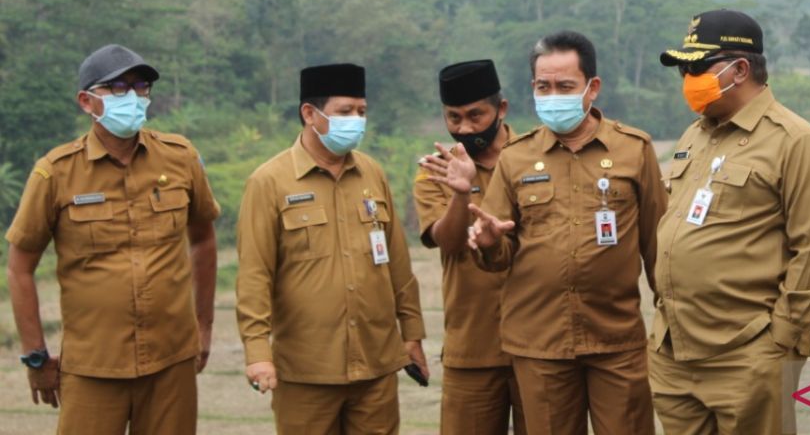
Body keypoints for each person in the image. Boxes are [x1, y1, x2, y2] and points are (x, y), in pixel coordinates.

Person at [4, 44, 220, 434]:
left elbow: (203, 239)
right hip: (92, 366)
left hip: (171, 361)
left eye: (141, 87)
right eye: (117, 88)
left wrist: (203, 327)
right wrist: (36, 356)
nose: (133, 98)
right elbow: (20, 267)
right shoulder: (54, 173)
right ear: (87, 101)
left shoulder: (181, 157)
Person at [467, 31, 667, 435]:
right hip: (540, 342)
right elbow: (499, 250)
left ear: (592, 87)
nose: (552, 95)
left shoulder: (634, 150)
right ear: (532, 89)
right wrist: (488, 244)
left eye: (565, 86)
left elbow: (659, 246)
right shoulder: (515, 157)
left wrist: (671, 320)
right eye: (544, 87)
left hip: (617, 340)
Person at [650, 9, 810, 435]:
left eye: (697, 67)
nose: (687, 78)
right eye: (683, 68)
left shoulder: (796, 141)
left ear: (739, 69)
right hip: (675, 353)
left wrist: (777, 342)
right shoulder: (694, 136)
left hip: (746, 353)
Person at [236, 63, 427, 435]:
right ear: (310, 114)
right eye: (344, 112)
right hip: (307, 371)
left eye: (361, 111)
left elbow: (398, 267)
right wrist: (258, 353)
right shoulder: (269, 182)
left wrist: (412, 334)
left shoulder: (373, 174)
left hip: (376, 365)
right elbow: (255, 275)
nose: (356, 120)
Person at [413, 59, 526, 435]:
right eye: (454, 117)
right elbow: (446, 243)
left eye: (476, 115)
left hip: (540, 344)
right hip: (472, 347)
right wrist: (460, 194)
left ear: (502, 109)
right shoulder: (436, 169)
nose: (465, 127)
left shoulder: (535, 158)